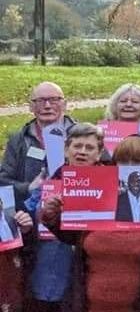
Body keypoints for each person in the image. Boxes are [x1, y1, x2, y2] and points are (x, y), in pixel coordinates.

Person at [41, 133, 140, 311]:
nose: (131, 168)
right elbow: (74, 237)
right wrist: (52, 217)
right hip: (91, 302)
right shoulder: (97, 193)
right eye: (124, 161)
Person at [0, 82, 71, 311]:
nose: (47, 105)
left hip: (69, 223)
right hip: (28, 224)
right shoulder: (19, 138)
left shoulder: (80, 133)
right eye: (40, 101)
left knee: (69, 286)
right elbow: (3, 179)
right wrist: (28, 188)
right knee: (32, 286)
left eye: (54, 99)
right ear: (31, 107)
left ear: (65, 103)